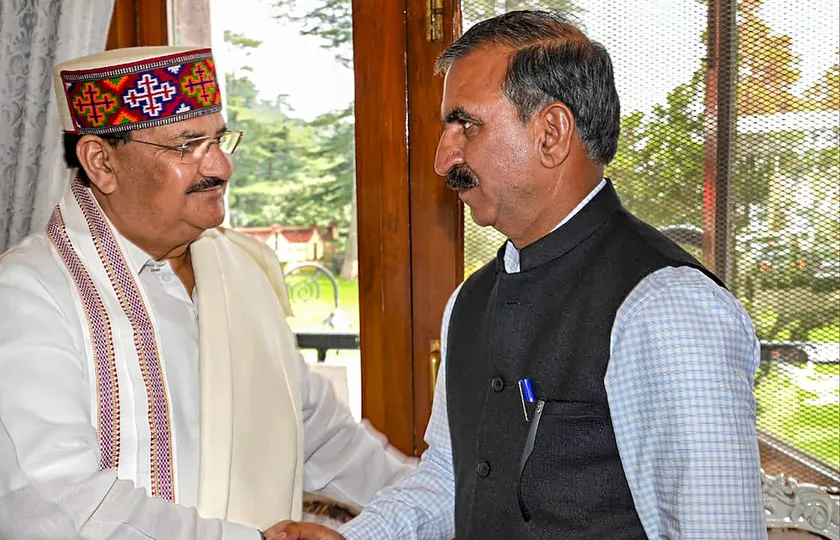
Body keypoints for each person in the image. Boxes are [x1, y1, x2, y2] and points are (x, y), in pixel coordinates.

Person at [269, 10, 766, 540]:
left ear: (551, 133)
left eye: (467, 125)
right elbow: (450, 484)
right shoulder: (470, 300)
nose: (443, 159)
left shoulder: (667, 306)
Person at [0, 46, 414, 540]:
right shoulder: (27, 294)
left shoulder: (242, 275)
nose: (220, 167)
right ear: (101, 161)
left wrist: (446, 502)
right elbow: (45, 506)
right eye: (188, 145)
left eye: (219, 140)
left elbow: (321, 438)